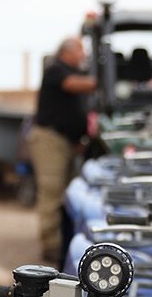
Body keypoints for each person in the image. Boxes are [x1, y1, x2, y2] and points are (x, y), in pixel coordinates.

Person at [27, 37, 96, 263]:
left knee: (67, 195)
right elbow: (73, 85)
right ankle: (51, 248)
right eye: (80, 50)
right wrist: (106, 81)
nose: (84, 55)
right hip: (50, 139)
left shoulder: (71, 70)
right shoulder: (56, 68)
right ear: (67, 52)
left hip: (65, 142)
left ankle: (63, 245)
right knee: (52, 192)